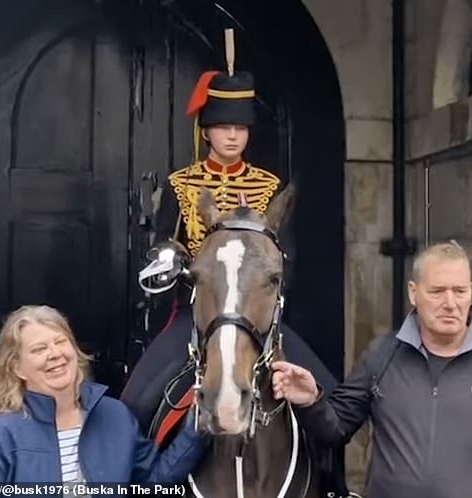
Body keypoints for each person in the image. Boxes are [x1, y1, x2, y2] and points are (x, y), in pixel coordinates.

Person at [121, 29, 350, 497]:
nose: (232, 135)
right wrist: (172, 258)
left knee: (333, 401)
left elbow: (288, 255)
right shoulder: (183, 183)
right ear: (207, 129)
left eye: (240, 128)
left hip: (260, 315)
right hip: (197, 312)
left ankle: (335, 486)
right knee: (133, 402)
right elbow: (165, 242)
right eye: (224, 127)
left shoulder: (269, 186)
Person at [272, 241, 472, 498]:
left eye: (460, 291)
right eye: (437, 291)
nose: (450, 303)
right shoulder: (382, 357)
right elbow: (336, 429)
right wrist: (311, 401)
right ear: (413, 292)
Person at [0, 305, 206, 492]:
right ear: (17, 368)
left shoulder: (114, 416)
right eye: (39, 349)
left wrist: (198, 425)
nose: (55, 354)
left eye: (61, 342)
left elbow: (152, 482)